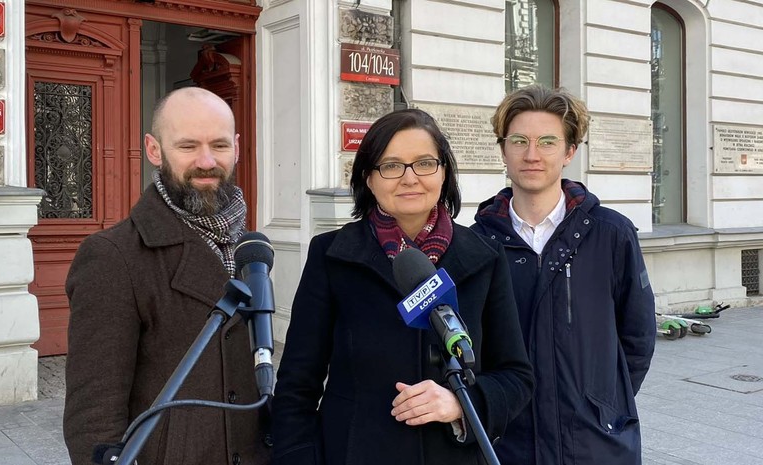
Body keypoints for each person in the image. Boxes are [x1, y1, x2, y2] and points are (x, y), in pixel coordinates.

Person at [272, 108, 534, 465]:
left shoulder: (485, 258)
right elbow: (296, 385)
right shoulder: (332, 256)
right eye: (391, 166)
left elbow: (516, 376)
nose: (410, 178)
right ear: (369, 178)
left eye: (424, 163)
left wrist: (461, 404)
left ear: (444, 172)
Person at [63, 87, 272, 465]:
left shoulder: (249, 247)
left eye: (220, 145)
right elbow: (93, 415)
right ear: (154, 150)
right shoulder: (112, 256)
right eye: (188, 146)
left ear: (237, 147)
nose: (206, 161)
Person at [471, 85, 656, 465]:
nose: (532, 155)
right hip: (508, 445)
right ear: (503, 150)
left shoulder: (611, 234)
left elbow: (638, 337)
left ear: (569, 151)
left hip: (595, 446)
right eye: (519, 141)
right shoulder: (478, 245)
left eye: (548, 142)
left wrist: (605, 407)